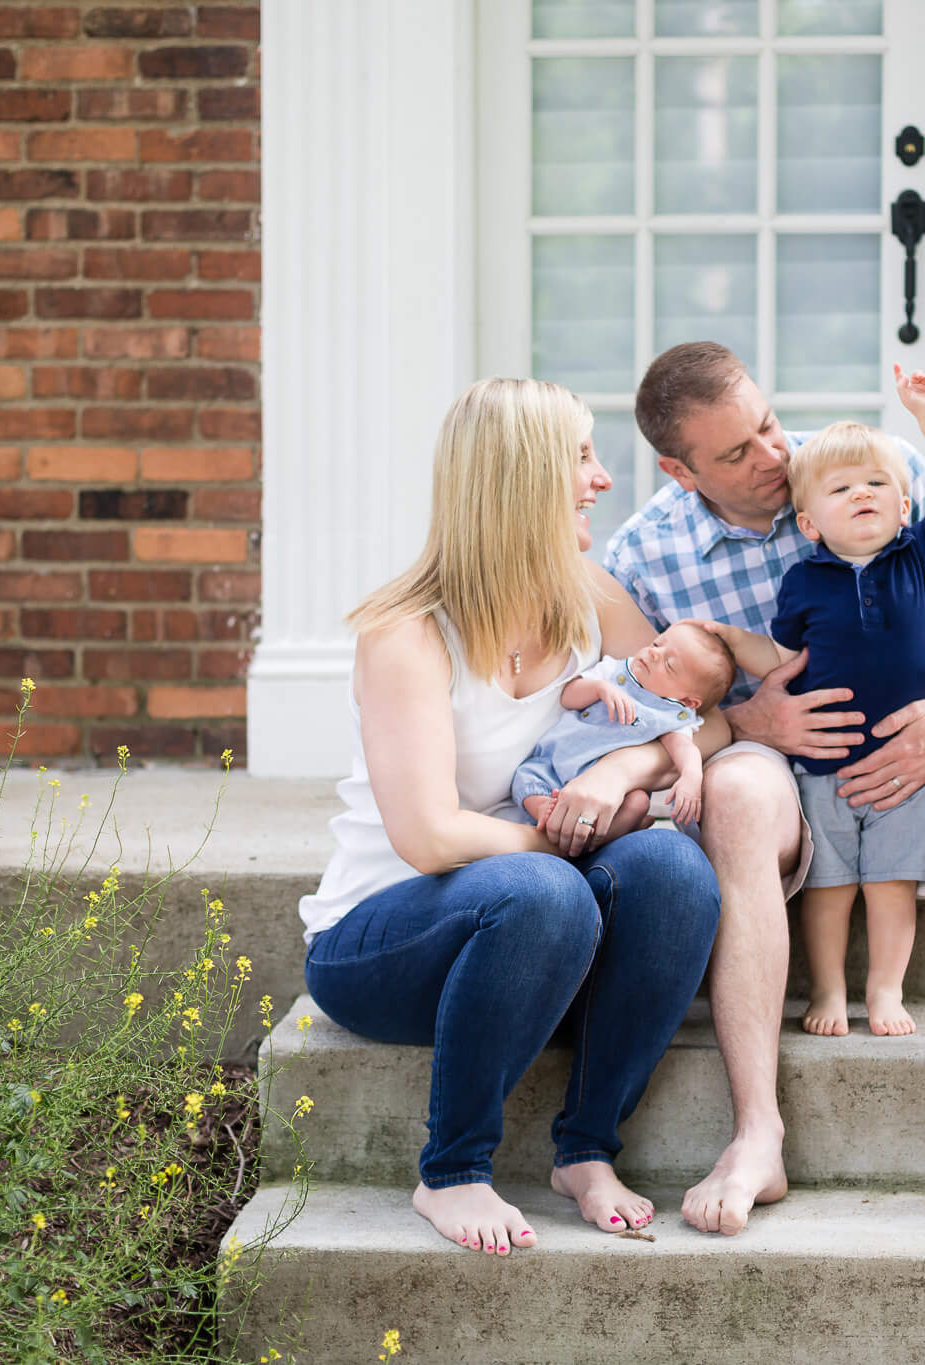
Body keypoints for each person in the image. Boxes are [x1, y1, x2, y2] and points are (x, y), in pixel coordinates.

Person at [594, 342, 925, 1251]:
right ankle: (757, 1134)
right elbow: (640, 727)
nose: (771, 455)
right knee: (731, 796)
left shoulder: (872, 472)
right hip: (775, 776)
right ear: (678, 468)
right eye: (735, 454)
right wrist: (747, 724)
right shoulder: (644, 556)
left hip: (919, 758)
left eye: (767, 424)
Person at [296, 377, 722, 1257]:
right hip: (387, 939)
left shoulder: (585, 598)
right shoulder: (408, 634)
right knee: (545, 890)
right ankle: (451, 1170)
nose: (602, 478)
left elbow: (694, 710)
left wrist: (622, 768)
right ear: (520, 479)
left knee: (673, 870)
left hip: (535, 937)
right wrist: (567, 846)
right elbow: (430, 836)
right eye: (581, 456)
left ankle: (586, 1150)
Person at [701, 364, 925, 1041]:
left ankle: (885, 987)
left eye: (879, 484)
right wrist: (733, 642)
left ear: (906, 506)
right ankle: (827, 986)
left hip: (906, 769)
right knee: (828, 888)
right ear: (810, 522)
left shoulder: (922, 558)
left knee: (889, 886)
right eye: (843, 487)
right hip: (820, 766)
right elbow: (785, 659)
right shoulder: (804, 582)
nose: (864, 493)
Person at [510, 621, 737, 833]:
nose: (654, 653)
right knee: (526, 777)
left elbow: (684, 748)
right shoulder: (613, 671)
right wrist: (599, 689)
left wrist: (691, 775)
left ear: (687, 701)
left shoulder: (671, 715)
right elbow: (568, 697)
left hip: (605, 793)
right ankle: (545, 811)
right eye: (657, 644)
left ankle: (603, 836)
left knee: (638, 802)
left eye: (669, 664)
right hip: (555, 763)